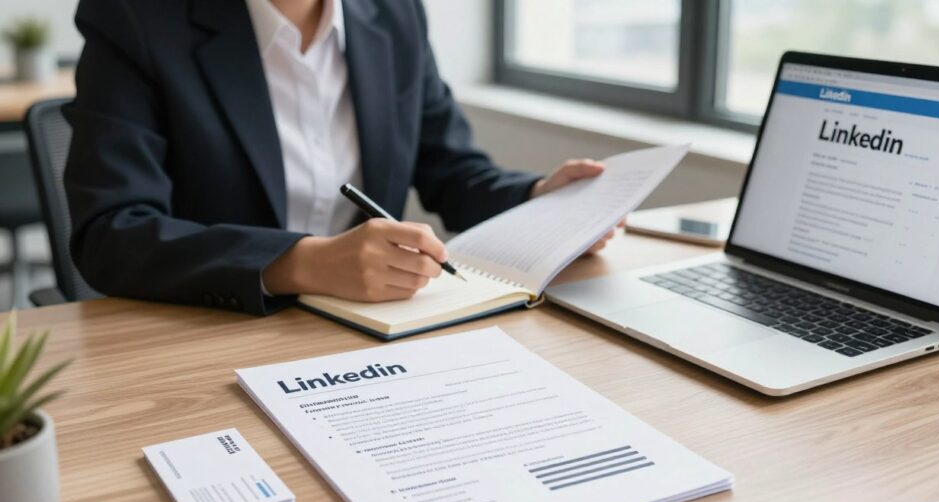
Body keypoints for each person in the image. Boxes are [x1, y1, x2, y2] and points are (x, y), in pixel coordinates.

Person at [64, 0, 618, 315]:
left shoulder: (393, 14)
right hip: (211, 331)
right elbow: (111, 233)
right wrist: (303, 263)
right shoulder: (135, 17)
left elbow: (451, 168)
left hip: (372, 329)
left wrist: (538, 200)